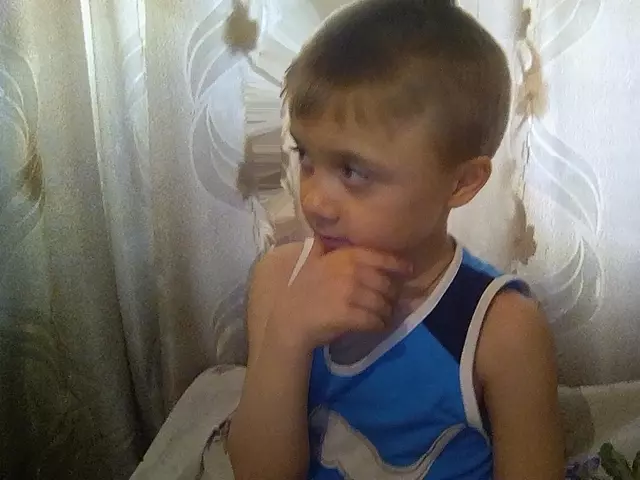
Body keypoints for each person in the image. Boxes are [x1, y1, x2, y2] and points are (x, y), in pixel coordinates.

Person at [227, 0, 565, 478]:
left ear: (461, 183)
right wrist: (287, 335)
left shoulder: (502, 328)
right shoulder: (279, 279)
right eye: (306, 157)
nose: (315, 201)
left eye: (352, 170)